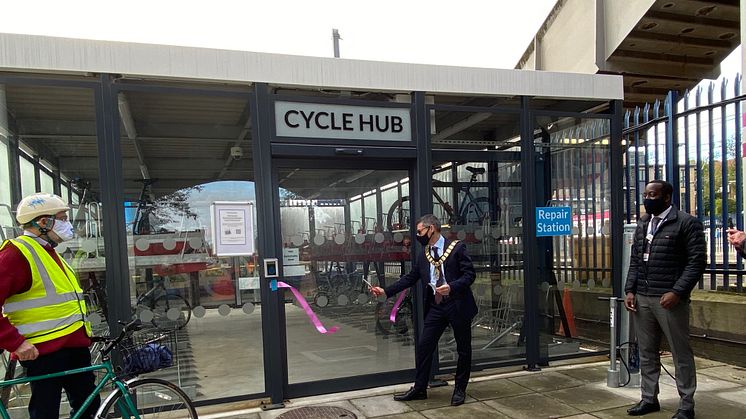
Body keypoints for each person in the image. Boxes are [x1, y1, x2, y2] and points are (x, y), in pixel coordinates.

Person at [0, 193, 98, 418]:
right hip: (42, 353)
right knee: (46, 413)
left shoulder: (50, 252)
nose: (68, 224)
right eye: (62, 218)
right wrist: (15, 343)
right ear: (43, 222)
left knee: (89, 407)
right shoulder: (15, 254)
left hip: (72, 347)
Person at [370, 214, 476, 406]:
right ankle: (419, 389)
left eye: (419, 231)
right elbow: (410, 278)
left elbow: (470, 275)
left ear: (432, 229)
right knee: (424, 346)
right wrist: (385, 291)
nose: (417, 235)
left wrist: (452, 286)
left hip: (457, 304)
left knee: (464, 349)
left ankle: (460, 389)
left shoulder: (457, 248)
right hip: (436, 307)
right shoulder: (424, 254)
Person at [623, 181, 705, 419]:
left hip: (669, 301)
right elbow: (636, 260)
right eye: (645, 194)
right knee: (647, 351)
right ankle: (649, 398)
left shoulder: (686, 224)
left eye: (653, 194)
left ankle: (686, 405)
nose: (648, 198)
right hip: (643, 298)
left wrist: (677, 292)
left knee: (681, 353)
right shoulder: (643, 223)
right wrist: (630, 290)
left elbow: (697, 262)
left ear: (667, 197)